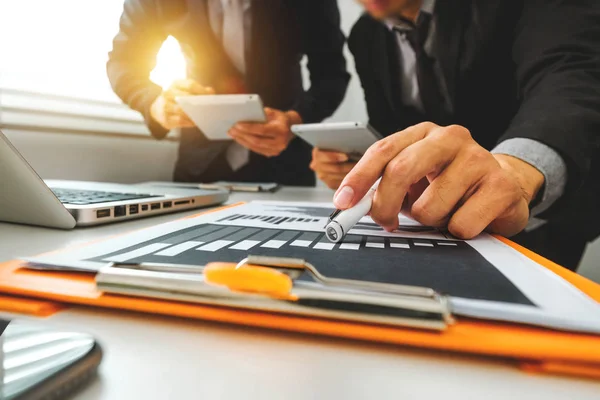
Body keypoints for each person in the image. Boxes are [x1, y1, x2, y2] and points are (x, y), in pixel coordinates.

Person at [310, 0, 600, 271]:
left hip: (541, 213)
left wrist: (514, 172)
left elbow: (568, 77)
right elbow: (392, 128)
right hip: (430, 222)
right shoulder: (366, 35)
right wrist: (362, 162)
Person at [108, 0, 349, 186]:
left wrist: (296, 118)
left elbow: (331, 75)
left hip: (286, 165)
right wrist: (153, 103)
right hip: (198, 165)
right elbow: (124, 62)